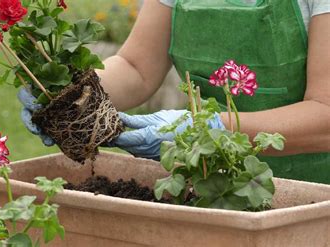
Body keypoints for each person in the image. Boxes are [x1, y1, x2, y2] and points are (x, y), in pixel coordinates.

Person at [19, 0, 330, 184]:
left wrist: (213, 131)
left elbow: (325, 112)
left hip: (317, 193)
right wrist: (69, 93)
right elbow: (136, 67)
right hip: (218, 184)